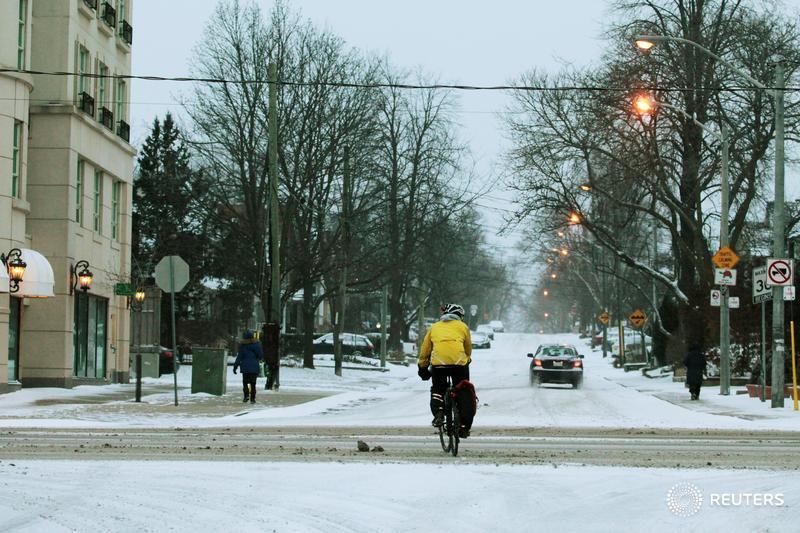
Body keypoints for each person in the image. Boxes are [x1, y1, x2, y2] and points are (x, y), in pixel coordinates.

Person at [417, 303, 473, 438]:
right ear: (459, 315)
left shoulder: (434, 327)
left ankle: (439, 413)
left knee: (438, 389)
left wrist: (423, 366)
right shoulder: (463, 327)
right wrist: (467, 359)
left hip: (439, 364)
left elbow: (425, 349)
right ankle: (463, 425)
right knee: (463, 389)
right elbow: (468, 349)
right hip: (459, 364)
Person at [233, 330, 264, 404]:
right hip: (254, 368)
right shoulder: (257, 345)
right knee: (253, 384)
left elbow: (239, 357)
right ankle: (252, 399)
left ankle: (246, 396)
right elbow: (261, 356)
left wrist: (235, 367)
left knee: (245, 383)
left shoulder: (243, 346)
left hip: (245, 368)